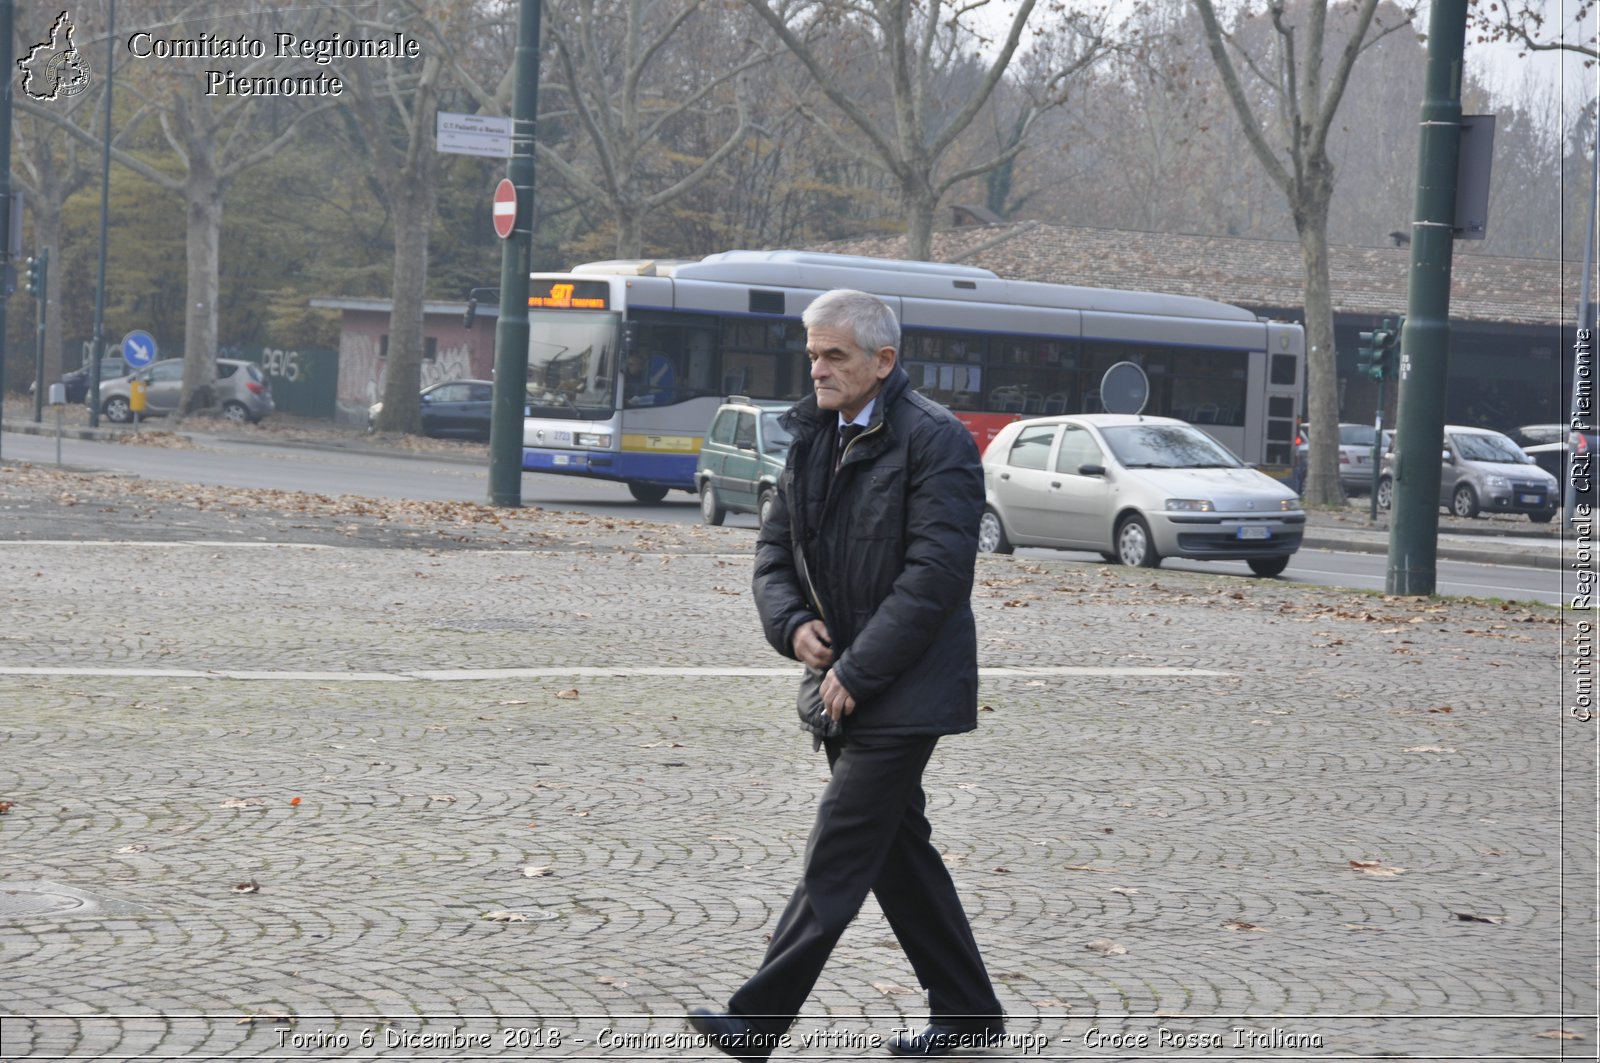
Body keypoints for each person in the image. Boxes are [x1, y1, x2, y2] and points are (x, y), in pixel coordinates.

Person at [689, 290, 1005, 1060]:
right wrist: (792, 624)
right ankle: (969, 1012)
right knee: (897, 855)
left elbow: (936, 576)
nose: (818, 369)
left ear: (883, 361)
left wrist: (858, 671)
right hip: (842, 683)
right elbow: (773, 554)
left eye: (835, 355)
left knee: (840, 845)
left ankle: (758, 1020)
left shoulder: (937, 442)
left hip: (907, 686)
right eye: (812, 353)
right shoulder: (811, 437)